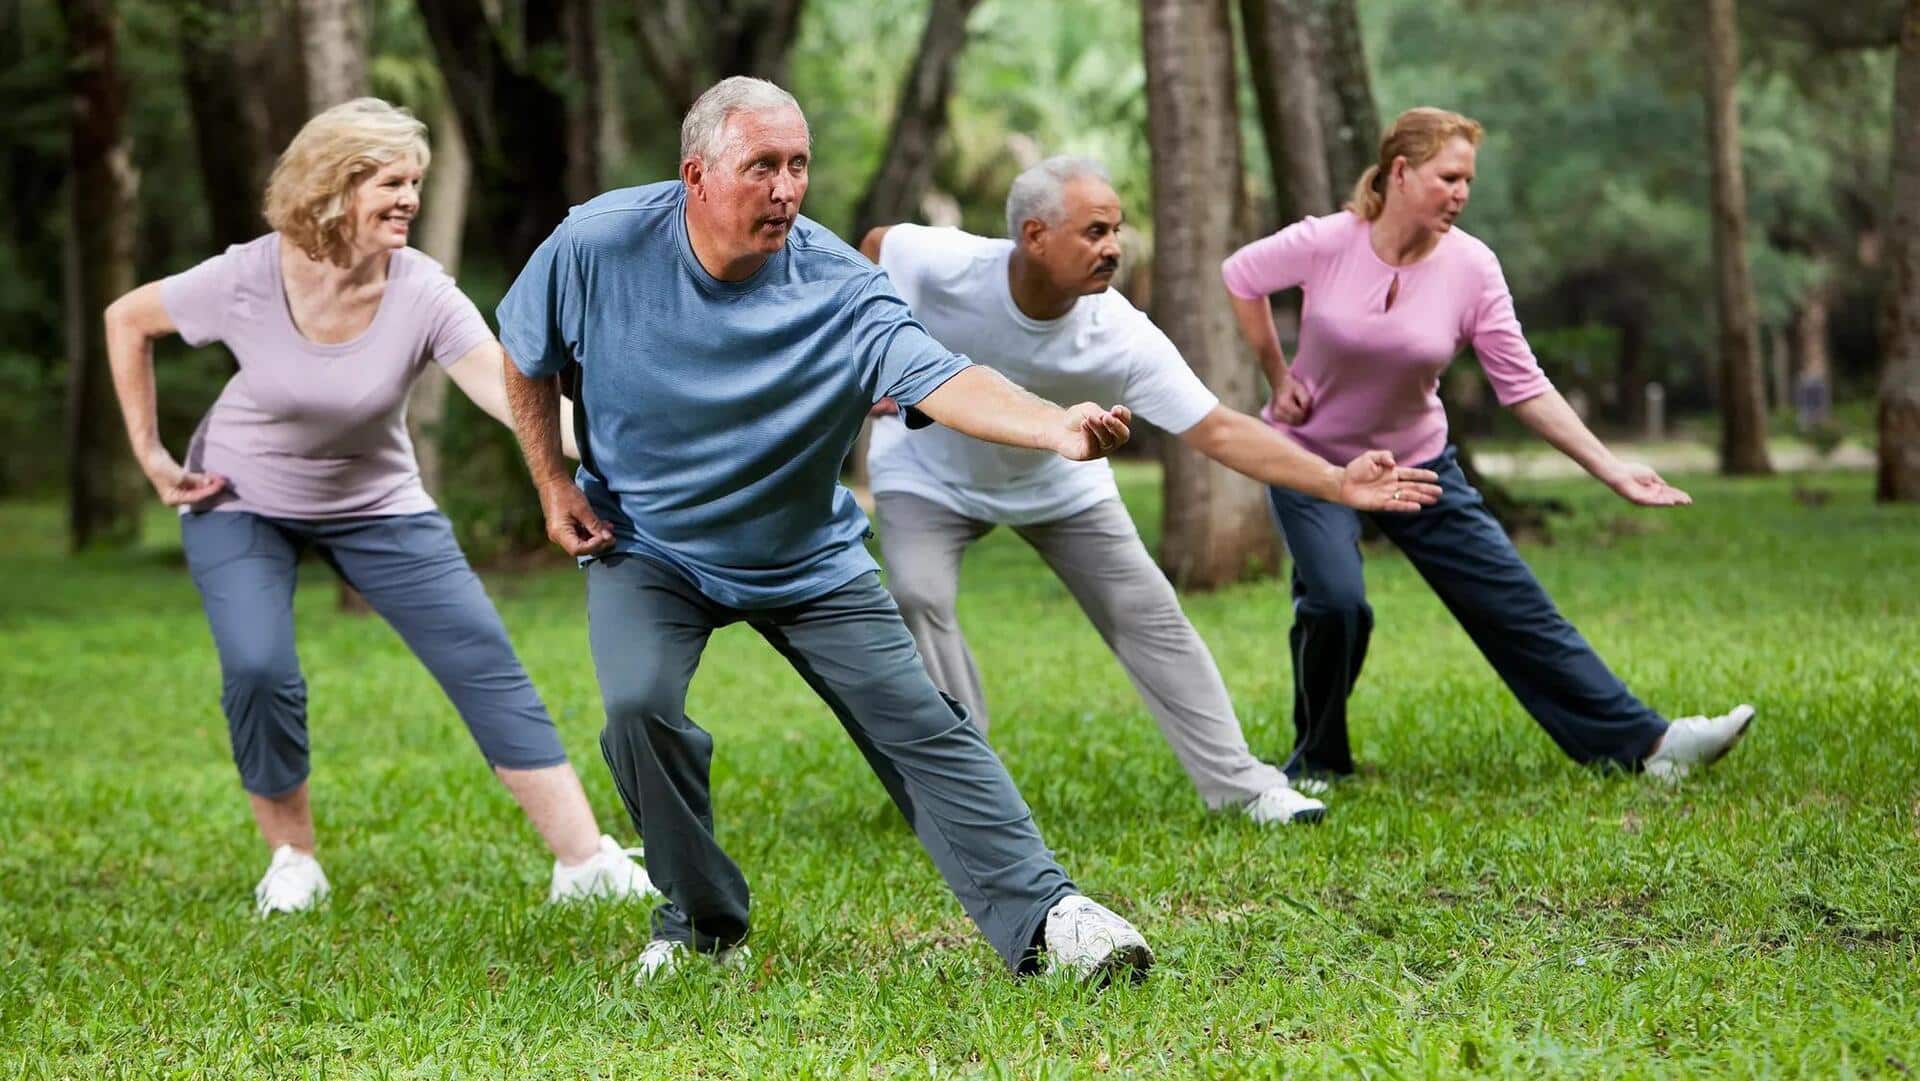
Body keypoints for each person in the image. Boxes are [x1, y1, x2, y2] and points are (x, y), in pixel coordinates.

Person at [496, 77, 1154, 985]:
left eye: (799, 165)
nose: (786, 188)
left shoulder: (841, 285)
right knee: (637, 707)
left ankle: (1051, 917)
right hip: (647, 540)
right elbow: (524, 351)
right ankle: (699, 922)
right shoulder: (598, 244)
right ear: (695, 174)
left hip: (804, 555)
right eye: (761, 165)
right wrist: (551, 481)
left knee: (924, 724)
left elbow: (941, 375)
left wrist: (1054, 425)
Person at [103, 98, 655, 916]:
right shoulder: (247, 275)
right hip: (240, 495)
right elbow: (127, 319)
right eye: (391, 182)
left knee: (481, 655)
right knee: (259, 667)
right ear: (334, 185)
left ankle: (583, 858)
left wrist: (632, 444)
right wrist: (150, 453)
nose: (409, 199)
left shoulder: (423, 292)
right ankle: (293, 858)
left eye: (416, 183)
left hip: (375, 499)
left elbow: (513, 396)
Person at [856, 157, 1443, 826]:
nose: (1114, 247)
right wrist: (878, 353)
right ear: (1034, 234)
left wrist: (1336, 479)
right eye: (1095, 231)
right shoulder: (947, 262)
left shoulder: (1120, 334)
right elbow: (877, 244)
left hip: (1060, 481)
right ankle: (966, 791)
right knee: (918, 595)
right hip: (928, 471)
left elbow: (1220, 430)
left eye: (1118, 230)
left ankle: (1245, 786)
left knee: (1152, 615)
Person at [1219, 106, 1755, 785]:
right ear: (1402, 172)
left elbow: (1523, 386)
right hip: (1313, 460)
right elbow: (1240, 276)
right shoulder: (1328, 241)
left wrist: (1611, 468)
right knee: (1335, 602)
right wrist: (1277, 371)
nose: (1462, 194)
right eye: (1449, 177)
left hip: (1418, 463)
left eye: (1469, 180)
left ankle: (1651, 746)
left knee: (1515, 605)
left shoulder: (1472, 268)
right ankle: (1318, 759)